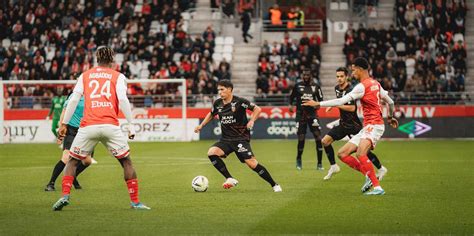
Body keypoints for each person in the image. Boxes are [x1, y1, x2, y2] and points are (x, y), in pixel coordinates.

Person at [52, 46, 150, 210]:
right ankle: (135, 202)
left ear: (96, 59)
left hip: (88, 125)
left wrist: (64, 124)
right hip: (110, 125)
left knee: (73, 161)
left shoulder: (85, 76)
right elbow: (123, 99)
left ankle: (64, 196)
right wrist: (131, 125)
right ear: (113, 61)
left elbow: (74, 99)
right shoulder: (118, 76)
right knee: (126, 161)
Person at [302, 57, 398, 195]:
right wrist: (390, 117)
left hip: (374, 125)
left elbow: (342, 100)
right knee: (342, 153)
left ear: (360, 69)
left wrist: (318, 104)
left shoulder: (361, 86)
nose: (352, 74)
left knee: (360, 153)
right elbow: (391, 102)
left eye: (353, 70)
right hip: (369, 126)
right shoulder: (375, 84)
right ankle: (368, 176)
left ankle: (378, 188)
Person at [194, 80, 282, 192]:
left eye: (222, 89)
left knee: (252, 164)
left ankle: (274, 185)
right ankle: (230, 178)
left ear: (229, 89)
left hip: (240, 139)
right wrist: (201, 125)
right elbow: (211, 114)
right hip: (226, 140)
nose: (220, 92)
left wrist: (252, 121)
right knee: (212, 152)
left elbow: (257, 109)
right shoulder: (218, 103)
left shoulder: (240, 102)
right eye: (218, 90)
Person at [321, 67, 387, 181]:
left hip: (353, 125)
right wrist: (334, 104)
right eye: (337, 76)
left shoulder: (352, 89)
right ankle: (333, 166)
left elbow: (352, 108)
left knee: (363, 152)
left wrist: (336, 105)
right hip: (343, 124)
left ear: (346, 76)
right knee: (325, 141)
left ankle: (380, 168)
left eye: (341, 76)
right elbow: (340, 101)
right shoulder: (337, 88)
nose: (339, 79)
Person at [44, 95, 95, 191]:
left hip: (85, 131)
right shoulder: (74, 96)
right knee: (66, 158)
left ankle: (73, 176)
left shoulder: (92, 96)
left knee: (87, 161)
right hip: (72, 130)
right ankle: (51, 183)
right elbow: (64, 111)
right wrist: (62, 127)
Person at [289, 68, 327, 171]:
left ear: (311, 76)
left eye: (307, 75)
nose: (305, 77)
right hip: (300, 116)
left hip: (312, 115)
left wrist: (317, 106)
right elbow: (291, 97)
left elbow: (320, 101)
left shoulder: (316, 87)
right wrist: (291, 106)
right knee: (301, 139)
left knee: (318, 138)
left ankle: (319, 163)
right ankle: (299, 160)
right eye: (304, 75)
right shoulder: (298, 86)